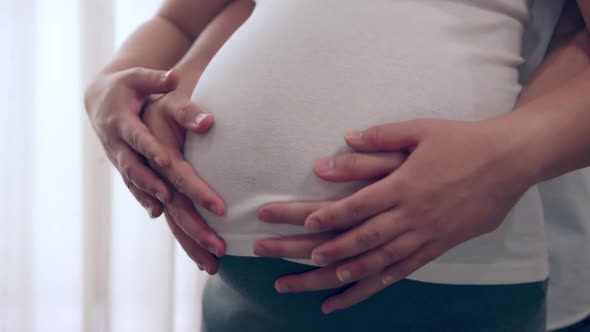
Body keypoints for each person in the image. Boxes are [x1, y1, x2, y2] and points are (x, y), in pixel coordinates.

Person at [84, 1, 590, 331]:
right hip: (237, 284)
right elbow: (181, 21)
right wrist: (108, 86)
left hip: (453, 283)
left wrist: (507, 157)